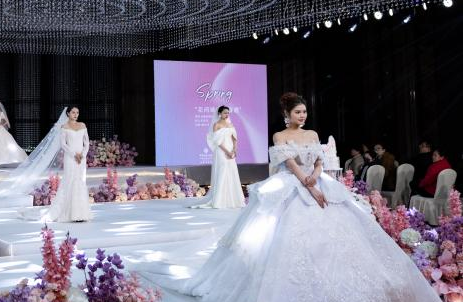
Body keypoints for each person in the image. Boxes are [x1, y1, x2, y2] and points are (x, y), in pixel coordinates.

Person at [134, 92, 440, 302]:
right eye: (297, 112)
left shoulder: (313, 134)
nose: (302, 116)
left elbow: (319, 159)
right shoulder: (280, 136)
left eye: (304, 111)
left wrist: (316, 176)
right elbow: (290, 163)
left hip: (316, 181)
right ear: (286, 114)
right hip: (292, 184)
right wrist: (308, 184)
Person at [44, 106, 92, 222]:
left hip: (81, 158)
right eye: (73, 112)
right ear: (68, 114)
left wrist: (83, 155)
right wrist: (74, 154)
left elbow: (86, 143)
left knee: (80, 181)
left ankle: (81, 213)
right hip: (70, 158)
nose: (76, 115)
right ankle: (69, 213)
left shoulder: (82, 125)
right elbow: (63, 144)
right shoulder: (64, 127)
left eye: (77, 112)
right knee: (70, 180)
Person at [191, 105, 245, 209]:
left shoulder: (230, 124)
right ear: (219, 113)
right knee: (222, 172)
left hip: (231, 150)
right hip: (221, 151)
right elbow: (217, 142)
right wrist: (227, 152)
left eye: (228, 113)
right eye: (225, 113)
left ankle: (232, 199)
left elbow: (234, 138)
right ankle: (219, 200)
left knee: (232, 172)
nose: (227, 114)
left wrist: (234, 150)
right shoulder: (216, 125)